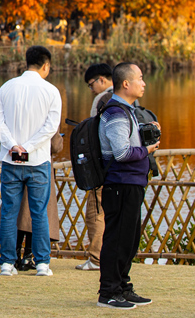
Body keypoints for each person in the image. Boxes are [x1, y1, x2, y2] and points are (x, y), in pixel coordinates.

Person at [0, 45, 61, 277]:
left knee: (10, 211)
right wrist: (28, 148)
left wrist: (13, 145)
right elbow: (50, 128)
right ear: (45, 65)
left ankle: (7, 263)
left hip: (11, 161)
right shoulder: (51, 91)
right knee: (39, 212)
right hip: (38, 161)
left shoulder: (6, 88)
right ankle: (42, 263)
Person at [96, 63, 159, 309]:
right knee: (117, 239)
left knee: (129, 240)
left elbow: (127, 141)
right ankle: (108, 293)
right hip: (120, 183)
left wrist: (148, 133)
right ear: (126, 83)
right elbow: (121, 152)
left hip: (131, 183)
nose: (144, 83)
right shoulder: (115, 112)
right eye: (140, 78)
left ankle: (123, 287)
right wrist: (148, 149)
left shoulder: (127, 110)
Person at [77, 62, 113, 271]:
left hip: (101, 168)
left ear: (101, 79)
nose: (91, 90)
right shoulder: (124, 98)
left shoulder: (102, 100)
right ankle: (109, 256)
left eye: (91, 85)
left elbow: (93, 136)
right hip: (122, 167)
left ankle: (96, 258)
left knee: (95, 212)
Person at [15, 132, 63, 270]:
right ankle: (32, 257)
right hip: (40, 162)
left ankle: (13, 256)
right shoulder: (48, 112)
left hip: (17, 162)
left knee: (18, 212)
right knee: (38, 211)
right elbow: (55, 145)